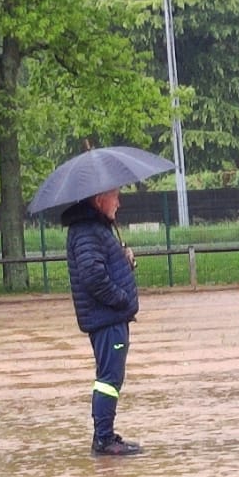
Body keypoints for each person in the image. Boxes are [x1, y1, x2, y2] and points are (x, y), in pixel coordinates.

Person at [62, 188, 142, 456]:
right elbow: (93, 275)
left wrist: (123, 259)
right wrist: (120, 299)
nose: (119, 203)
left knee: (110, 377)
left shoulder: (95, 229)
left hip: (108, 317)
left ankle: (105, 436)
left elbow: (101, 266)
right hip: (107, 317)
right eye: (115, 197)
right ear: (99, 200)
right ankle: (104, 440)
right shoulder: (88, 231)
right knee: (109, 379)